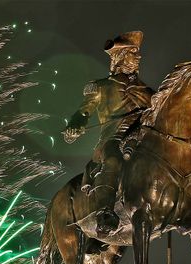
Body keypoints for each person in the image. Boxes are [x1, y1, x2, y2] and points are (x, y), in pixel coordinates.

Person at [63, 31, 154, 236]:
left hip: (140, 140)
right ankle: (104, 212)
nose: (138, 57)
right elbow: (83, 111)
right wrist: (75, 125)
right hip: (112, 139)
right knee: (113, 159)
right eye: (133, 53)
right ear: (120, 57)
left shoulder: (148, 92)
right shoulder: (101, 87)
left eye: (137, 53)